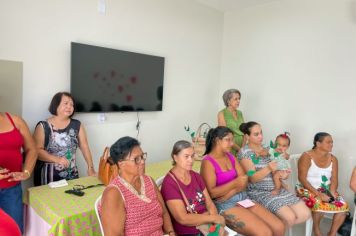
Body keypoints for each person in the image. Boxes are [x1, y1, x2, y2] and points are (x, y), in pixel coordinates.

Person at [200, 126, 285, 236]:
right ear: (217, 140)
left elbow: (244, 180)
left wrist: (230, 192)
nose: (232, 144)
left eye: (232, 140)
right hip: (225, 205)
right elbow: (212, 193)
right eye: (228, 140)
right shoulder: (207, 162)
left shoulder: (230, 156)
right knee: (265, 233)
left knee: (279, 227)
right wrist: (235, 183)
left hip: (243, 197)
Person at [238, 122, 310, 228]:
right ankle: (274, 228)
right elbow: (252, 178)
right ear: (247, 136)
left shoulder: (267, 147)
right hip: (259, 192)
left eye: (261, 132)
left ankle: (275, 229)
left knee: (305, 214)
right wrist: (268, 168)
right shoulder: (245, 153)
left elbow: (282, 158)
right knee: (289, 217)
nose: (261, 136)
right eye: (256, 134)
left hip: (278, 188)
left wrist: (283, 172)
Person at [99, 136, 175, 236]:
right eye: (136, 159)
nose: (143, 162)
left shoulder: (148, 181)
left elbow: (164, 212)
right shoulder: (114, 193)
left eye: (143, 156)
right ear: (121, 164)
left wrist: (171, 232)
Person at [161, 140, 225, 235]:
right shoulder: (169, 184)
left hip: (207, 226)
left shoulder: (196, 176)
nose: (191, 160)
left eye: (192, 156)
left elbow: (209, 203)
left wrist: (214, 223)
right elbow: (182, 218)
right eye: (186, 156)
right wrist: (212, 218)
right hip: (189, 231)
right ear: (175, 157)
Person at [33, 92, 96, 185]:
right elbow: (36, 151)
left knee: (72, 199)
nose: (69, 107)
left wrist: (90, 168)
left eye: (71, 104)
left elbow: (84, 146)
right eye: (65, 103)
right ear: (56, 105)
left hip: (72, 175)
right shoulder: (43, 126)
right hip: (48, 176)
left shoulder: (77, 125)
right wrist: (57, 159)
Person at [298, 132, 349, 236]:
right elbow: (302, 179)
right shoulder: (307, 156)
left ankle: (332, 233)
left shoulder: (333, 159)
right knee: (318, 204)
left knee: (343, 208)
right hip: (307, 189)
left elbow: (334, 180)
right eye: (328, 142)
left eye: (332, 142)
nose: (331, 144)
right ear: (318, 143)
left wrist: (332, 192)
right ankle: (316, 230)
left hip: (326, 190)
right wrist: (319, 194)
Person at [0, 112, 37, 232]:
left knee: (14, 230)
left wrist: (26, 172)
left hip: (12, 190)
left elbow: (32, 149)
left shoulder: (15, 121)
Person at [217, 89, 245, 155]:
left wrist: (243, 148)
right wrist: (238, 149)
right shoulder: (221, 114)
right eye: (236, 99)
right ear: (228, 101)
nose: (238, 101)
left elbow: (244, 131)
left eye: (239, 99)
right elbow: (224, 135)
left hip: (242, 148)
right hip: (229, 147)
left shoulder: (240, 113)